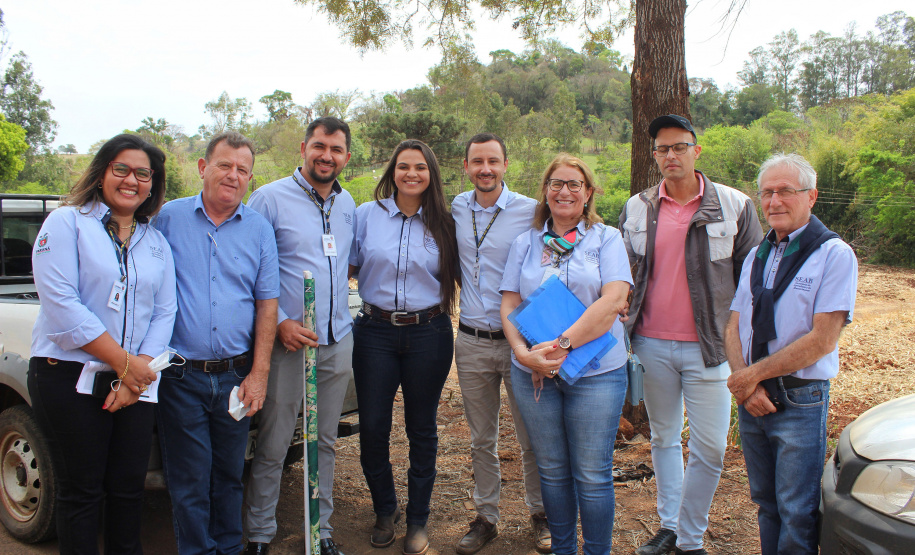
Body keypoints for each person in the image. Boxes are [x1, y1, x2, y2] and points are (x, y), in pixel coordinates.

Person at [619, 114, 762, 555]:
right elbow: (623, 277)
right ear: (654, 155)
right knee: (663, 438)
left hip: (711, 349)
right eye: (662, 149)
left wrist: (748, 352)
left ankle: (690, 535)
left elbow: (753, 283)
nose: (670, 156)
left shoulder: (735, 205)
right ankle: (670, 527)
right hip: (650, 345)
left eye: (679, 146)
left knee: (711, 447)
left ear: (696, 151)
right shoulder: (637, 207)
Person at [28, 134, 176, 553]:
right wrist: (127, 367)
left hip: (136, 384)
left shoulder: (156, 242)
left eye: (142, 173)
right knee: (82, 493)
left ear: (152, 183)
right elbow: (61, 303)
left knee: (129, 492)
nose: (132, 180)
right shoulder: (67, 222)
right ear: (102, 173)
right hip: (69, 377)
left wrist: (135, 374)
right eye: (122, 169)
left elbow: (165, 312)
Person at [153, 131, 279, 555]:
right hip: (180, 376)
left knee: (228, 474)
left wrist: (259, 374)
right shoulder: (167, 218)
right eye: (225, 165)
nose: (233, 175)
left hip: (235, 377)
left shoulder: (259, 229)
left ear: (250, 180)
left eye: (243, 170)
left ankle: (228, 548)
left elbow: (267, 305)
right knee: (188, 478)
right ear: (203, 167)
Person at [500, 153, 632, 555]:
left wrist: (561, 346)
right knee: (553, 472)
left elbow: (614, 301)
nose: (565, 191)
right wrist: (523, 354)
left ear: (589, 192)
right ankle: (561, 549)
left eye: (575, 184)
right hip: (534, 373)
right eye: (557, 183)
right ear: (545, 190)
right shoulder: (525, 243)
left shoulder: (606, 239)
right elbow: (508, 306)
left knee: (592, 475)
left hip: (597, 374)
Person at [725, 153, 857, 555]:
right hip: (753, 398)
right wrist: (746, 385)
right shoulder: (757, 254)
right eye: (766, 192)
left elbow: (822, 340)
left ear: (812, 196)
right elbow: (734, 326)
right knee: (766, 504)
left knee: (797, 510)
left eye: (785, 191)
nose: (774, 201)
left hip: (799, 397)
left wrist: (750, 377)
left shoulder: (834, 255)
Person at [244, 117, 355, 555]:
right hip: (288, 342)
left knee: (324, 441)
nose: (327, 155)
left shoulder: (348, 205)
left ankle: (321, 532)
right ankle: (259, 534)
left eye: (336, 149)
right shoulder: (268, 199)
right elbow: (246, 269)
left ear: (346, 156)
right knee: (275, 441)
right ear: (304, 147)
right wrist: (283, 321)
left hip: (337, 339)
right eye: (319, 146)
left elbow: (348, 265)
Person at [349, 139, 459, 555]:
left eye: (420, 167)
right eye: (403, 166)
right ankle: (384, 509)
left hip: (428, 334)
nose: (411, 174)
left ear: (431, 174)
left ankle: (417, 519)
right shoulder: (366, 216)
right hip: (374, 333)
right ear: (391, 171)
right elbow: (344, 268)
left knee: (422, 429)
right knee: (374, 427)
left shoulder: (445, 223)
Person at [450, 133, 549, 555]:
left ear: (506, 164)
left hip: (521, 342)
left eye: (493, 161)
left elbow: (570, 249)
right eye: (477, 161)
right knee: (480, 437)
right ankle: (486, 516)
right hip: (471, 341)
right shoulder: (454, 208)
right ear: (467, 166)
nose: (485, 168)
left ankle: (542, 514)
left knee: (532, 436)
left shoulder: (531, 211)